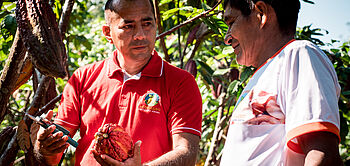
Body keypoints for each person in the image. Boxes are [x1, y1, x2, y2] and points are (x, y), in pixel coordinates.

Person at [33, 0, 202, 165]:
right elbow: (52, 156)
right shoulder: (82, 78)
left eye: (147, 23)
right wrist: (44, 148)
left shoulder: (181, 82)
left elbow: (186, 153)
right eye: (128, 26)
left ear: (156, 24)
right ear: (107, 32)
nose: (140, 35)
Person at [220, 0, 343, 165]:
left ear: (261, 14)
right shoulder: (263, 75)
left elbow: (323, 156)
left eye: (231, 22)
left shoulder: (299, 54)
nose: (227, 38)